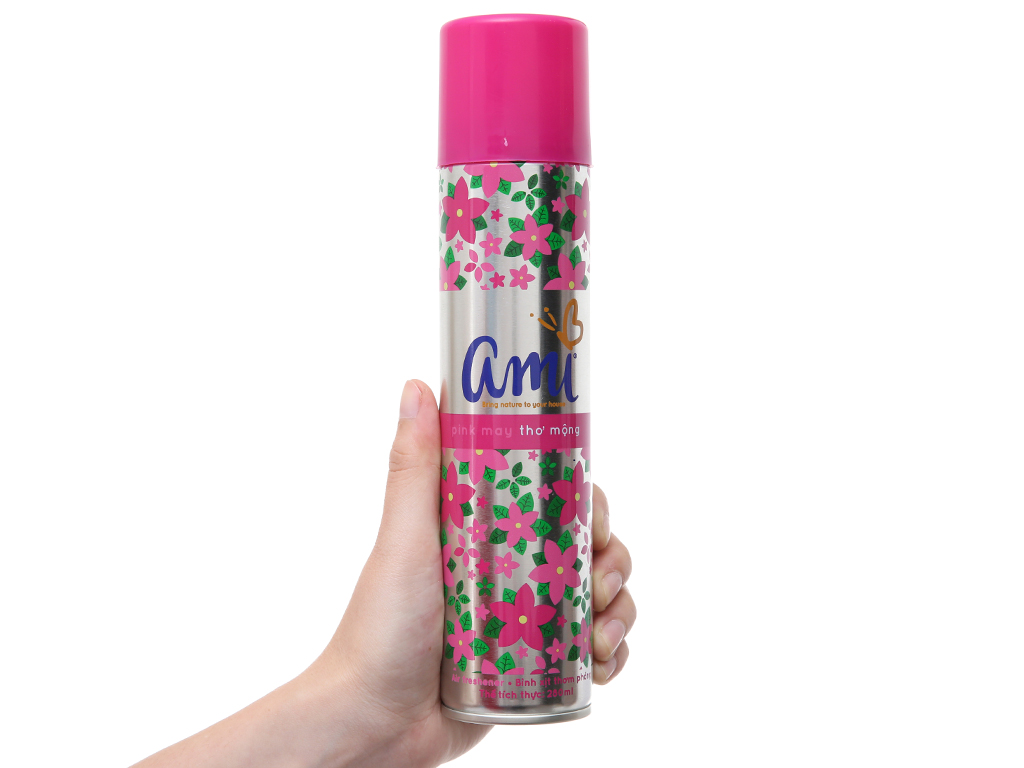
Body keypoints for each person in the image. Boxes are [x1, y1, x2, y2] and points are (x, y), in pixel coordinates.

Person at [133, 381, 635, 768]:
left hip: (527, 662)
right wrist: (365, 700)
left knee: (570, 514)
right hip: (462, 671)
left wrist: (374, 716)